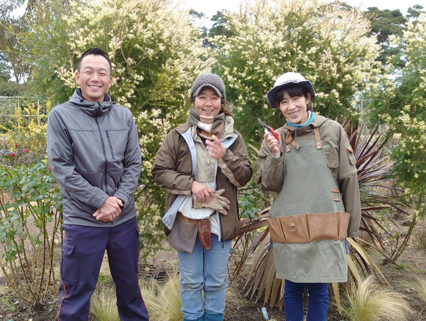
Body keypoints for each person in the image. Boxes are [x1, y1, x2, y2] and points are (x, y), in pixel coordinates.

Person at [47, 47, 149, 321]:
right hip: (83, 221)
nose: (95, 78)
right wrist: (100, 200)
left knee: (130, 292)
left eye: (102, 73)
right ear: (78, 77)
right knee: (76, 295)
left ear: (110, 80)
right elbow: (61, 167)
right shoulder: (60, 116)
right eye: (89, 72)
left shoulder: (124, 116)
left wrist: (117, 201)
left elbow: (133, 164)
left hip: (123, 220)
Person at [257, 72, 361, 321]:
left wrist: (352, 230)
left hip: (325, 221)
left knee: (319, 288)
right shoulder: (275, 137)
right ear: (279, 107)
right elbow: (268, 185)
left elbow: (349, 179)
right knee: (292, 287)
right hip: (289, 223)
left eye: (295, 98)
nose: (290, 106)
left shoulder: (332, 130)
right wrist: (275, 154)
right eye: (283, 102)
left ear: (307, 97)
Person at [151, 73, 252, 321]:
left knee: (217, 282)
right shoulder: (178, 135)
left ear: (222, 102)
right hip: (187, 219)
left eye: (214, 97)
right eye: (202, 97)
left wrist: (224, 155)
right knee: (191, 282)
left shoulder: (233, 137)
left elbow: (245, 176)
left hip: (220, 219)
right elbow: (160, 172)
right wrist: (191, 185)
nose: (208, 103)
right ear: (193, 100)